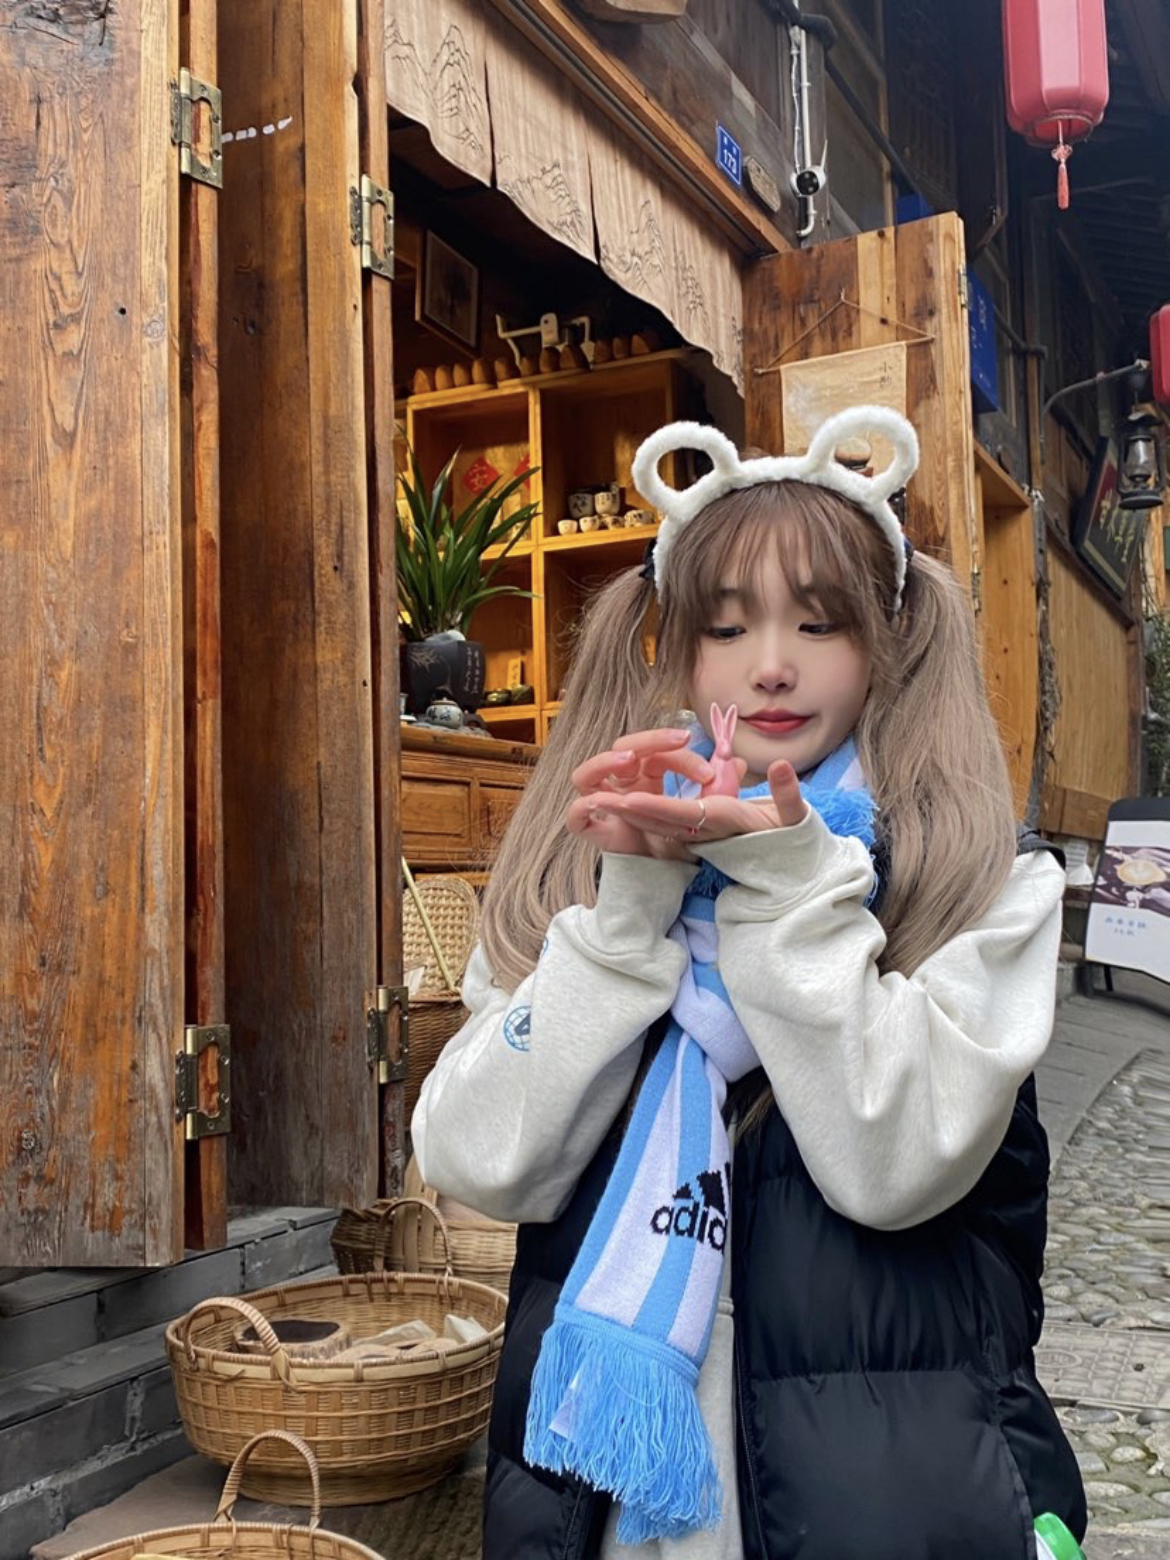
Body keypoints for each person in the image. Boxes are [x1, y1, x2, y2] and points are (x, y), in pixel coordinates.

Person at [412, 406, 1087, 1560]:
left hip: (896, 1514)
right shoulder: (584, 871)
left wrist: (782, 888)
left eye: (820, 623)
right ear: (677, 647)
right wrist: (628, 918)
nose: (771, 664)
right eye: (726, 626)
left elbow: (892, 1164)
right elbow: (478, 1162)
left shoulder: (980, 883)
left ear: (885, 640)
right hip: (597, 1517)